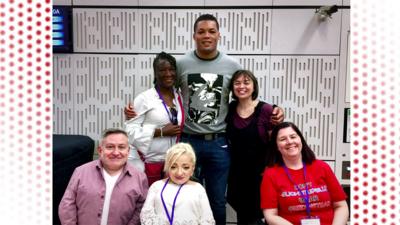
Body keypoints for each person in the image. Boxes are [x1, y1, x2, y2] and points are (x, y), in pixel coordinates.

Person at [125, 14, 284, 224]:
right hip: (188, 141)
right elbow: (163, 87)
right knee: (185, 196)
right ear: (194, 36)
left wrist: (272, 109)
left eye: (211, 31)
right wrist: (137, 109)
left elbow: (244, 92)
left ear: (219, 35)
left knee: (217, 200)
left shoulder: (231, 64)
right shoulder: (182, 63)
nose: (206, 35)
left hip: (219, 142)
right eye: (201, 32)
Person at [260, 122, 349, 225]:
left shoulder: (322, 167)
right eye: (283, 139)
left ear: (300, 139)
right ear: (276, 146)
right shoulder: (271, 174)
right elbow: (270, 215)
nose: (289, 142)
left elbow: (341, 206)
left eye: (293, 137)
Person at [58, 128, 148, 225]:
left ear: (128, 151)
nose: (116, 152)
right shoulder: (81, 172)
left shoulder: (140, 177)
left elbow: (140, 208)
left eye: (121, 147)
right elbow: (67, 204)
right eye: (110, 147)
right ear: (100, 150)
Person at [225, 70, 277, 225]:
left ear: (254, 86)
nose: (242, 86)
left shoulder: (266, 110)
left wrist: (271, 168)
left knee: (262, 215)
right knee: (243, 215)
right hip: (237, 174)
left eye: (246, 82)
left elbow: (275, 143)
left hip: (261, 174)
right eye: (237, 83)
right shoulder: (230, 108)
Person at [124, 52, 184, 186]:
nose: (168, 73)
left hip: (172, 165)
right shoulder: (144, 98)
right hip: (148, 165)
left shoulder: (180, 97)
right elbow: (129, 132)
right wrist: (160, 132)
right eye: (162, 70)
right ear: (155, 73)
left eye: (171, 69)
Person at [140, 143, 215, 225]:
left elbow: (207, 219)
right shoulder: (156, 186)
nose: (179, 173)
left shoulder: (198, 189)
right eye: (173, 167)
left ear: (192, 169)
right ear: (167, 167)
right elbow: (145, 215)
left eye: (185, 167)